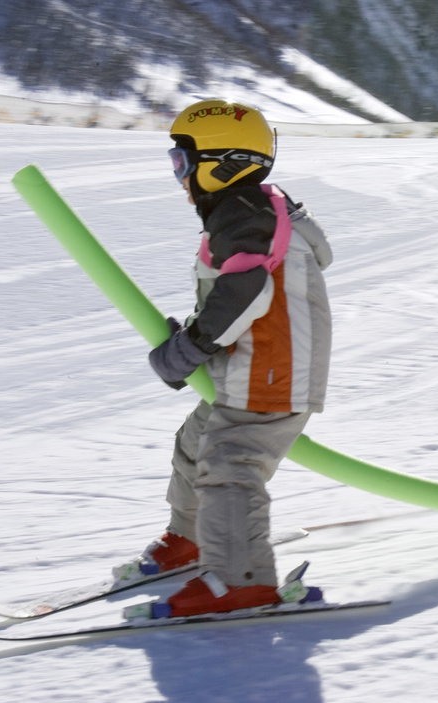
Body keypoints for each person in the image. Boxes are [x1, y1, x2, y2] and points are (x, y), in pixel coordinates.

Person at [114, 99, 333, 616]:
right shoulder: (252, 209)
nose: (179, 177)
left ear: (221, 164)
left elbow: (245, 294)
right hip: (251, 368)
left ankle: (241, 580)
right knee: (196, 444)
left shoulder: (243, 214)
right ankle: (191, 540)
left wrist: (187, 349)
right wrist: (195, 336)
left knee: (230, 466)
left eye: (182, 163)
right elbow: (236, 294)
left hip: (274, 372)